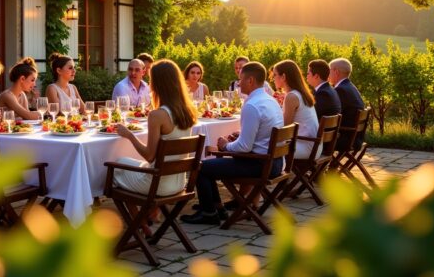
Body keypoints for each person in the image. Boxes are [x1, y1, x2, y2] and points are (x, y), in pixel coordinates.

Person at [181, 61, 284, 225]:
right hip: (277, 162)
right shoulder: (270, 101)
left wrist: (224, 145)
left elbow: (244, 147)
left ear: (250, 80)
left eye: (241, 79)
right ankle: (217, 208)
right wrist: (240, 135)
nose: (238, 83)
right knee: (209, 164)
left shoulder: (251, 105)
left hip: (260, 165)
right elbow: (261, 135)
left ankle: (208, 213)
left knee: (201, 167)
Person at [112, 59, 197, 195]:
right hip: (179, 182)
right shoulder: (188, 111)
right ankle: (151, 213)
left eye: (152, 80)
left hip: (157, 184)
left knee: (114, 168)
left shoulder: (158, 115)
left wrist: (129, 135)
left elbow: (149, 156)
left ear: (158, 84)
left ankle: (142, 216)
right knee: (123, 161)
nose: (149, 84)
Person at [272, 60, 319, 159]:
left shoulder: (292, 96)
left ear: (283, 77)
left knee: (262, 147)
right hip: (314, 145)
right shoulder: (300, 93)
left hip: (305, 147)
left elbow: (284, 129)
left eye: (275, 75)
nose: (272, 78)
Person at [328, 58, 365, 151]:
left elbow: (333, 114)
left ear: (336, 72)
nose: (327, 74)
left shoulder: (341, 90)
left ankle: (317, 164)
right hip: (355, 137)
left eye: (329, 70)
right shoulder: (350, 86)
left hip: (345, 139)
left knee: (315, 138)